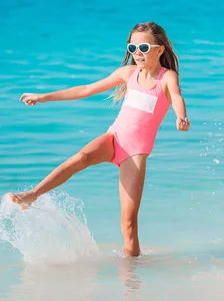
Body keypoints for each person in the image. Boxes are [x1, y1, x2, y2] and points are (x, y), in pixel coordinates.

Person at [7, 22, 191, 257]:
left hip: (135, 154)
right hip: (114, 138)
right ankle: (32, 195)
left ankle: (132, 277)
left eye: (143, 47)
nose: (137, 53)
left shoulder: (167, 77)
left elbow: (175, 96)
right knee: (81, 157)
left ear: (159, 50)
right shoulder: (128, 73)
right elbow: (86, 89)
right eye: (132, 48)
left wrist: (181, 117)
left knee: (128, 225)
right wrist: (44, 97)